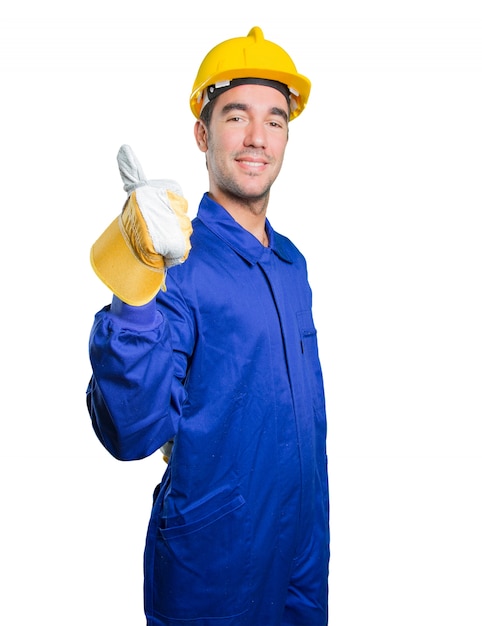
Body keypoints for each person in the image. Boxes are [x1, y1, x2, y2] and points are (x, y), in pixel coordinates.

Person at [87, 26, 329, 626]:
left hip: (301, 542)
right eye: (236, 116)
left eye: (274, 120)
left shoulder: (290, 262)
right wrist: (137, 279)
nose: (256, 138)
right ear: (202, 132)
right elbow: (131, 431)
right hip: (214, 565)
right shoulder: (177, 261)